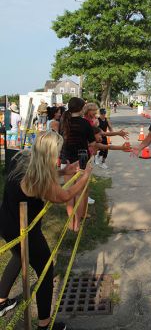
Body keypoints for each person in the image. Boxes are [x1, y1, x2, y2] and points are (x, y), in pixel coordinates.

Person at [0, 131, 92, 329]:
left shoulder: (22, 159)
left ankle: (1, 300)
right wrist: (84, 178)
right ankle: (44, 324)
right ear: (50, 152)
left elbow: (44, 174)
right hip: (25, 231)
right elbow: (63, 196)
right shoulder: (37, 178)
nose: (58, 155)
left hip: (6, 223)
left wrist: (63, 171)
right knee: (45, 272)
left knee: (19, 256)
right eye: (57, 151)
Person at [60, 98, 96, 231]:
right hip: (81, 159)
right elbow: (92, 144)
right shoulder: (85, 123)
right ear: (81, 109)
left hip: (66, 160)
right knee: (79, 193)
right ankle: (78, 224)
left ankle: (71, 223)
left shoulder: (63, 122)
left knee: (69, 193)